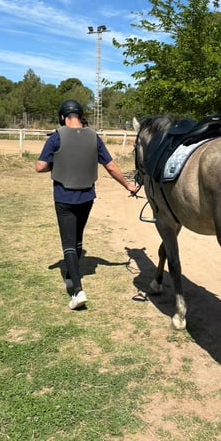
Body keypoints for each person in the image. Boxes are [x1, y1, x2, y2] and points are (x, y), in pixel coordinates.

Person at [35, 99, 138, 310]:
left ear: (63, 117)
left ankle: (77, 291)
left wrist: (57, 163)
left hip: (64, 197)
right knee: (78, 237)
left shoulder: (56, 137)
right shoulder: (94, 137)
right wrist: (127, 185)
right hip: (87, 197)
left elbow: (40, 166)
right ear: (80, 116)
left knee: (68, 244)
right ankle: (71, 275)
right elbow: (110, 166)